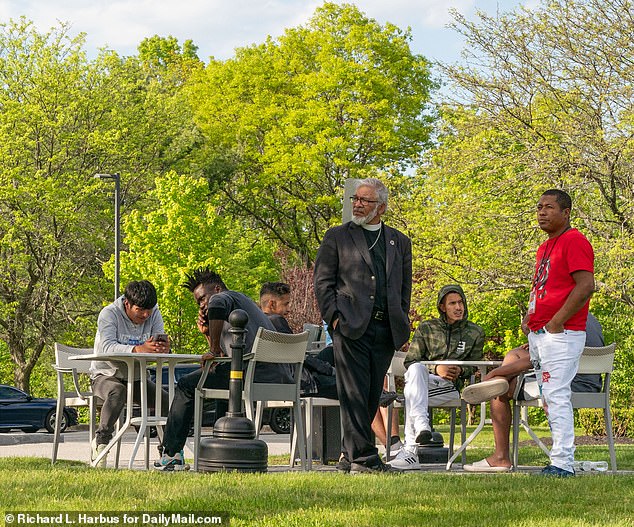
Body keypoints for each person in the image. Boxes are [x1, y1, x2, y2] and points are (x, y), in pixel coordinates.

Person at [314, 177, 412, 474]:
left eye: (364, 200)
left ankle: (348, 455)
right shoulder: (338, 237)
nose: (357, 204)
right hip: (350, 325)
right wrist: (334, 319)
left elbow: (403, 287)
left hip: (385, 330)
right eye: (355, 199)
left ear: (381, 207)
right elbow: (323, 282)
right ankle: (366, 459)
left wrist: (402, 320)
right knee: (353, 391)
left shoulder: (399, 241)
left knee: (371, 393)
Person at [154, 268, 293, 471]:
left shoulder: (223, 297)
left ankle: (171, 453)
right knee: (221, 383)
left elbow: (216, 349)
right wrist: (208, 333)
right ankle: (222, 456)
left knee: (185, 385)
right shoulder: (244, 302)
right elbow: (223, 358)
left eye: (203, 298)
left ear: (217, 288)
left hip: (251, 374)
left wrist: (213, 348)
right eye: (198, 302)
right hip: (275, 376)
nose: (202, 305)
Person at [463, 313, 604, 473]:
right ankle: (501, 379)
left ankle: (501, 456)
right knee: (515, 355)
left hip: (565, 384)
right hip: (591, 385)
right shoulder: (590, 319)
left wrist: (496, 372)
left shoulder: (558, 316)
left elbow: (534, 361)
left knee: (501, 389)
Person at [520, 189, 594, 477]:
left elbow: (585, 285)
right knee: (548, 396)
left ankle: (563, 462)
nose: (541, 212)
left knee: (557, 394)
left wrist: (557, 321)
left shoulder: (574, 241)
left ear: (566, 213)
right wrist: (530, 314)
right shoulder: (545, 246)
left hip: (561, 334)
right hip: (540, 332)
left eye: (549, 207)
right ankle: (557, 458)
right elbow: (542, 286)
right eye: (539, 207)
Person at [388, 284, 484, 471]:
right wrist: (436, 368)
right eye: (452, 303)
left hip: (450, 388)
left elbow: (476, 365)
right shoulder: (427, 328)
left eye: (461, 302)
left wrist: (461, 371)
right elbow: (410, 361)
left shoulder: (475, 332)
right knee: (416, 370)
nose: (458, 307)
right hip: (425, 380)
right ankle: (422, 426)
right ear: (442, 307)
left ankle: (410, 451)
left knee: (411, 394)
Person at [90, 280, 170, 467]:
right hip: (105, 375)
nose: (146, 315)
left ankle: (169, 451)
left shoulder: (153, 312)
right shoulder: (109, 314)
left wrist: (161, 348)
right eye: (140, 310)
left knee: (166, 400)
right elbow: (107, 347)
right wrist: (139, 349)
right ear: (127, 303)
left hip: (137, 378)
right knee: (117, 392)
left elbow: (156, 344)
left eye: (149, 310)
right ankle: (101, 443)